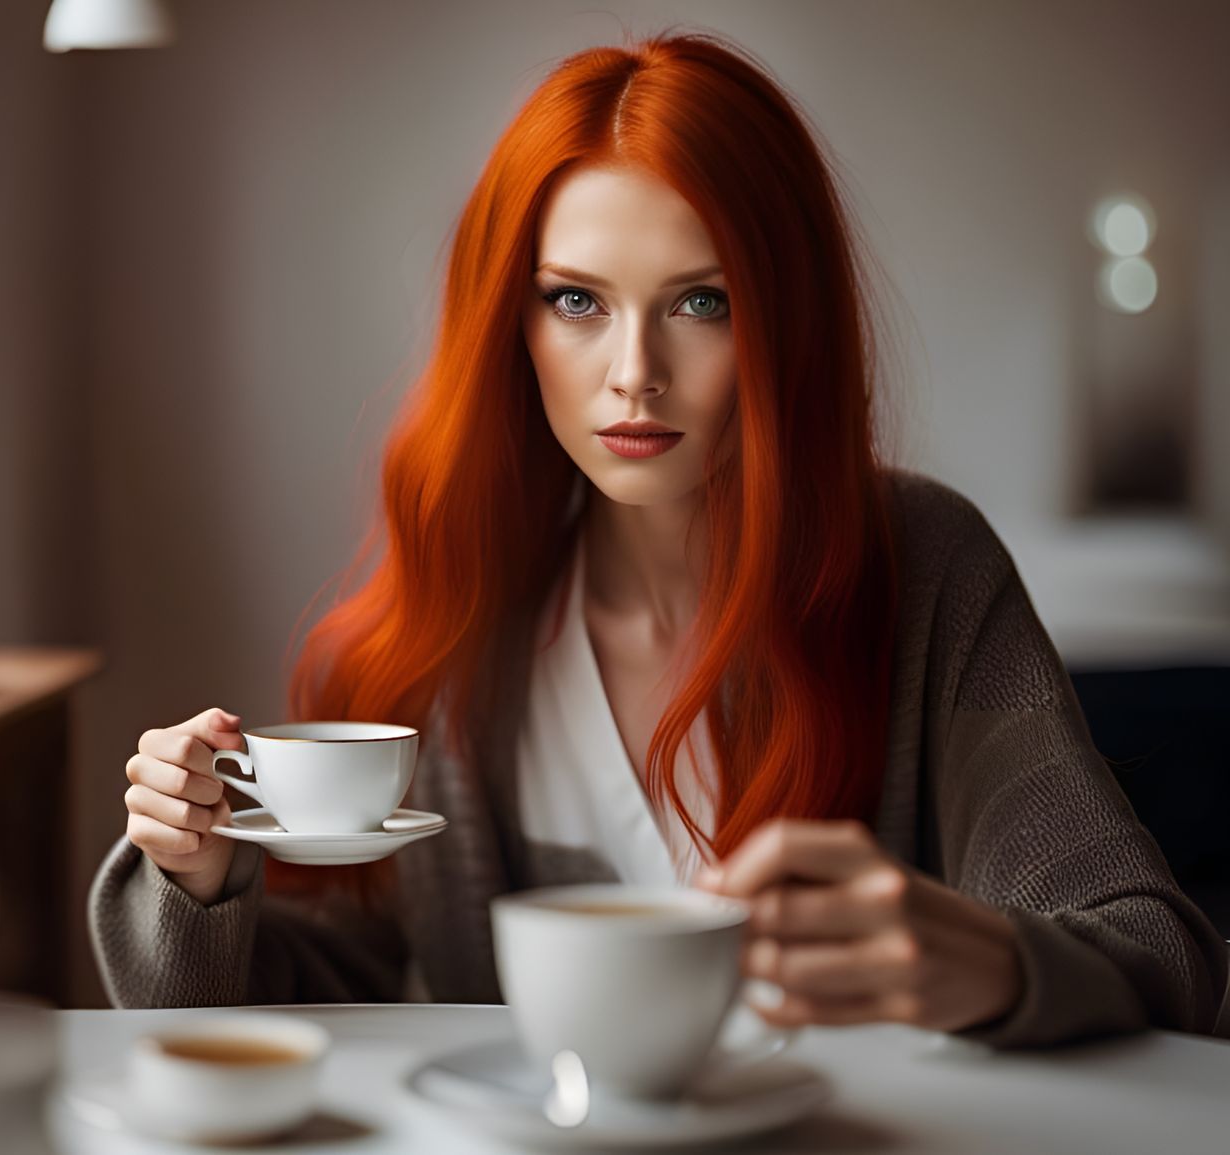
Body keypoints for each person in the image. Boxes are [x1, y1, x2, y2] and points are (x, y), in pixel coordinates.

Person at [89, 32, 1228, 1046]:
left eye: (702, 301)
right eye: (576, 301)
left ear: (787, 322)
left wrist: (979, 961)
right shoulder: (470, 612)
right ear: (510, 325)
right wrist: (197, 886)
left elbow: (1160, 954)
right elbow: (393, 990)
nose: (634, 371)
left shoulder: (925, 567)